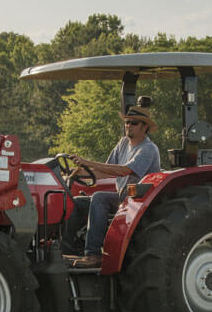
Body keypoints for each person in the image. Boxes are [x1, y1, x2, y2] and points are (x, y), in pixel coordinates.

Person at [62, 105, 161, 268]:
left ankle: (93, 254)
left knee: (99, 197)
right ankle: (69, 251)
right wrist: (74, 173)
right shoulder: (123, 144)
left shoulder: (148, 149)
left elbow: (124, 170)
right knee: (77, 202)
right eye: (127, 122)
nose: (128, 126)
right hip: (123, 198)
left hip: (139, 201)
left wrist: (87, 162)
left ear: (145, 127)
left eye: (134, 123)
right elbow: (106, 171)